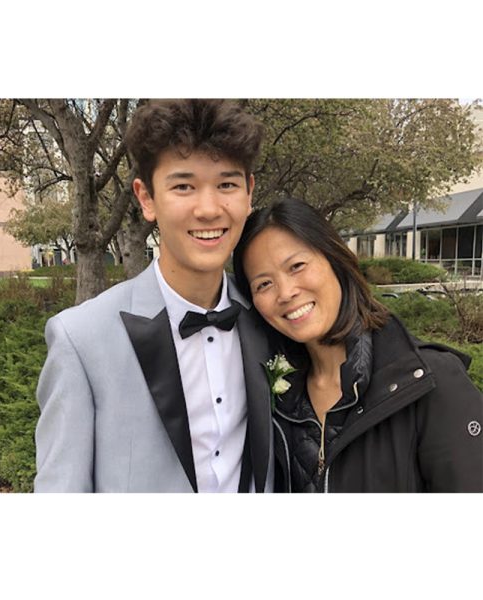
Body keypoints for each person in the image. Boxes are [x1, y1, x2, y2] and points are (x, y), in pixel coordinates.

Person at [35, 99, 274, 492]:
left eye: (227, 184)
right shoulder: (81, 338)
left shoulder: (269, 317)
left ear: (249, 193)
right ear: (146, 198)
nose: (209, 209)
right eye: (184, 186)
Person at [233, 198, 483, 492]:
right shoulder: (276, 398)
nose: (286, 293)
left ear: (335, 260)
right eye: (264, 284)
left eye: (297, 266)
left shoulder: (431, 382)